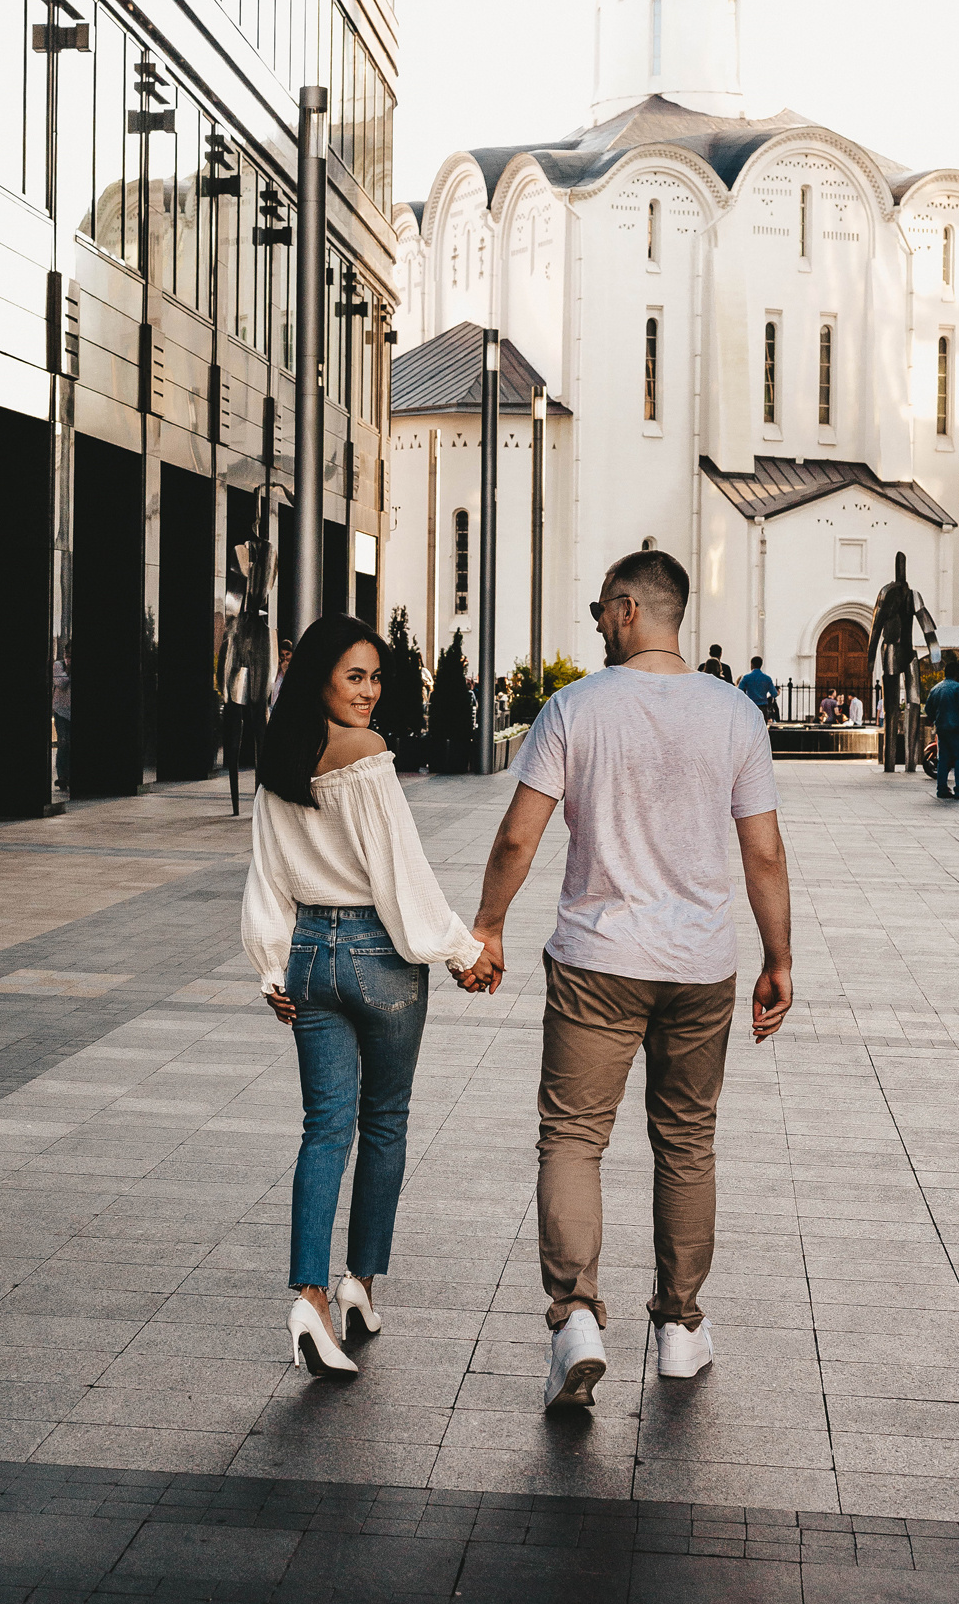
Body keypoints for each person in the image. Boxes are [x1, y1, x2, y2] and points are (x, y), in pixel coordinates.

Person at [461, 549, 793, 1409]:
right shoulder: (734, 715)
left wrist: (488, 925)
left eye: (599, 611)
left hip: (595, 962)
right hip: (698, 967)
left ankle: (574, 1317)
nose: (595, 625)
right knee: (685, 1142)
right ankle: (679, 1328)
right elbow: (761, 850)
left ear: (624, 611)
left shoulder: (573, 708)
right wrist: (777, 959)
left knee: (572, 1138)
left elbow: (516, 838)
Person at [242, 615, 490, 1379]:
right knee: (383, 1122)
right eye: (354, 675)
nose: (369, 691)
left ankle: (311, 1298)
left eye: (376, 677)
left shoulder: (280, 757)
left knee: (324, 1131)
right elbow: (400, 874)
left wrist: (272, 968)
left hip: (310, 954)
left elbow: (267, 874)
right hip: (378, 956)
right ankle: (360, 1283)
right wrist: (461, 948)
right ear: (319, 676)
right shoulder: (367, 755)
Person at [926, 654, 959, 801]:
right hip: (956, 729)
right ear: (957, 674)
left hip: (942, 729)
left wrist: (936, 719)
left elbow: (928, 709)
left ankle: (941, 789)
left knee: (943, 760)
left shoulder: (936, 689)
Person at [51, 644, 71, 791]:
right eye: (67, 654)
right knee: (63, 742)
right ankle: (62, 776)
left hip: (72, 712)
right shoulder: (59, 665)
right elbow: (60, 683)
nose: (68, 657)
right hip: (61, 712)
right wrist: (69, 671)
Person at [268, 641, 293, 714]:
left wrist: (285, 671)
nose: (285, 658)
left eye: (287, 654)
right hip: (273, 707)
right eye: (282, 655)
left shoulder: (293, 669)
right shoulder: (278, 670)